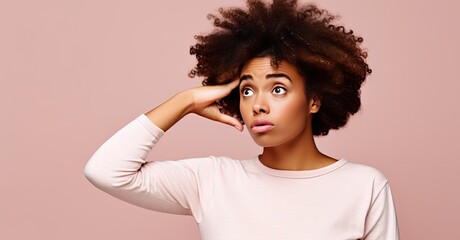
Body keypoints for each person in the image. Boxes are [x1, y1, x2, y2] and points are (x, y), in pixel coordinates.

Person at [84, 0, 400, 239]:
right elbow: (106, 172)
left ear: (314, 100)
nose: (258, 105)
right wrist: (187, 101)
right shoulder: (211, 180)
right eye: (247, 91)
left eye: (278, 89)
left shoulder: (364, 186)